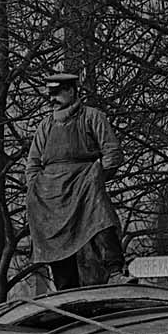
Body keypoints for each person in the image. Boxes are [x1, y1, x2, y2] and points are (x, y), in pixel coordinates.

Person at [24, 68, 124, 289]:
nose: (52, 99)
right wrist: (35, 187)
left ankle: (115, 271)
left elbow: (112, 152)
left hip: (84, 183)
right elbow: (32, 163)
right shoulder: (45, 126)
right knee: (53, 237)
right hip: (51, 190)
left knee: (101, 219)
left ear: (71, 91)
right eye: (50, 94)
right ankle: (65, 289)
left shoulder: (92, 116)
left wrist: (97, 177)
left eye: (58, 93)